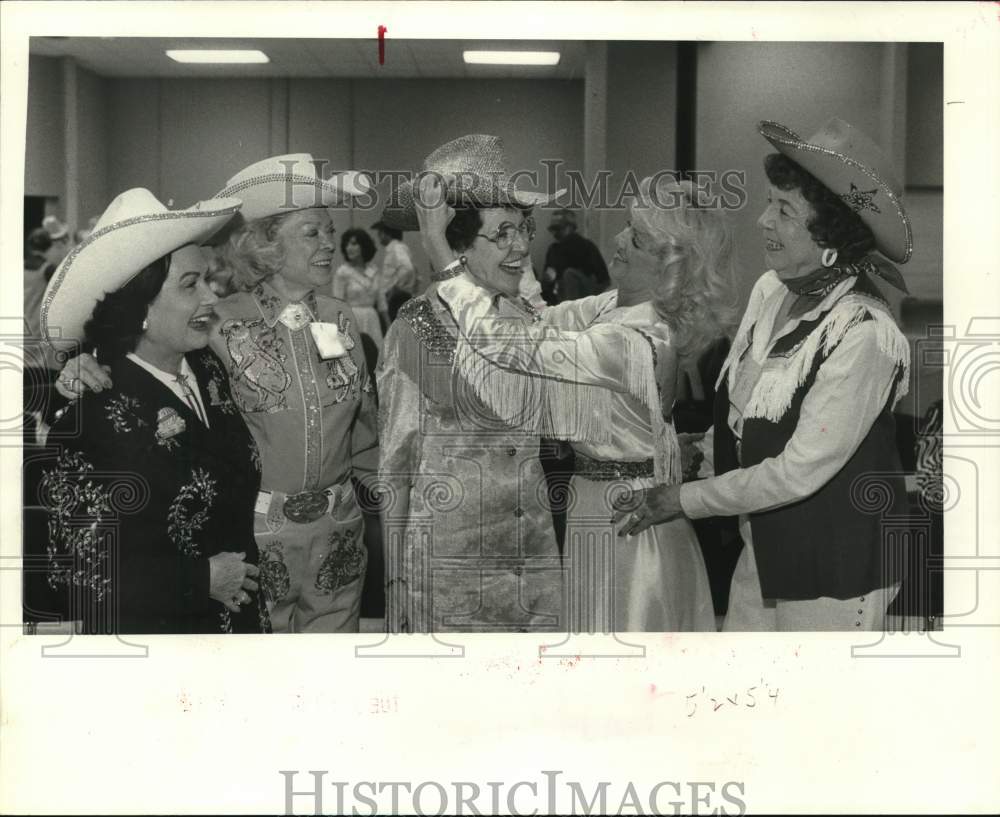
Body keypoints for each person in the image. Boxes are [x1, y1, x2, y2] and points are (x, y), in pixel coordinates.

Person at [55, 154, 380, 634]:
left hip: (339, 531)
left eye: (331, 231)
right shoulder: (218, 324)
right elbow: (142, 353)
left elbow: (363, 427)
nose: (330, 244)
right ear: (267, 243)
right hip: (256, 536)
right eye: (312, 232)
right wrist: (80, 364)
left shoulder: (341, 320)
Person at [615, 117, 913, 632]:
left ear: (830, 233)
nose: (762, 221)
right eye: (768, 202)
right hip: (766, 548)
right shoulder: (772, 290)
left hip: (838, 570)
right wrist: (702, 450)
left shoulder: (864, 331)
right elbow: (748, 412)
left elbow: (799, 469)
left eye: (784, 210)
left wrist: (683, 499)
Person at [418, 173, 734, 631]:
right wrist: (518, 248)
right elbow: (540, 318)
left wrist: (438, 250)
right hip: (599, 504)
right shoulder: (614, 308)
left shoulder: (632, 339)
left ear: (671, 268)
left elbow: (508, 343)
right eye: (628, 226)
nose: (620, 239)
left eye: (639, 240)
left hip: (625, 520)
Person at [38, 188, 268, 634]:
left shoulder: (207, 368)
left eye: (208, 280)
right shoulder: (92, 414)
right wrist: (199, 578)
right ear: (138, 306)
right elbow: (75, 574)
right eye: (190, 285)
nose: (210, 298)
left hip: (238, 633)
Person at [377, 134, 569, 633]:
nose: (522, 246)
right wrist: (396, 580)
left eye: (523, 228)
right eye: (502, 232)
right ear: (459, 243)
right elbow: (396, 465)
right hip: (449, 579)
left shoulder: (527, 317)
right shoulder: (417, 325)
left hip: (534, 566)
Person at [332, 227, 389, 360]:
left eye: (354, 243)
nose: (349, 248)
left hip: (372, 320)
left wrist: (390, 327)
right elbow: (337, 303)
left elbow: (382, 303)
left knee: (375, 358)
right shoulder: (343, 272)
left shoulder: (374, 271)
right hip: (352, 319)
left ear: (363, 246)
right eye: (347, 244)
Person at [541, 208, 610, 304]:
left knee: (569, 275)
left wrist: (590, 300)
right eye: (552, 229)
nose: (554, 233)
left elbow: (604, 280)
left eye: (557, 228)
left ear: (569, 227)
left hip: (582, 301)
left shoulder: (585, 246)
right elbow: (548, 280)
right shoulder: (553, 249)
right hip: (560, 300)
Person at [372, 220, 417, 322]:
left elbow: (407, 268)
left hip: (395, 299)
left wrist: (394, 288)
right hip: (391, 300)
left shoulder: (397, 248)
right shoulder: (392, 249)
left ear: (387, 233)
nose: (379, 236)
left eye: (380, 233)